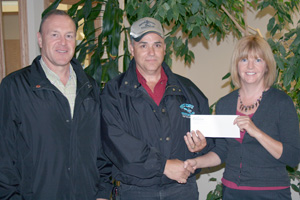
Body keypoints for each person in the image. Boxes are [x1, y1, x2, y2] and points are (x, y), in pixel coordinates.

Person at [0, 10, 112, 200]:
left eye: (69, 36)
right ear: (40, 39)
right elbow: (4, 155)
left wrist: (102, 193)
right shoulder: (15, 86)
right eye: (54, 35)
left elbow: (101, 148)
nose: (63, 42)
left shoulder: (90, 86)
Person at [100, 17, 214, 200]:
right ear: (131, 49)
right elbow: (116, 143)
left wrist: (202, 145)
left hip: (183, 190)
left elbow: (209, 136)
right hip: (136, 192)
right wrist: (162, 165)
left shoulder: (189, 90)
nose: (151, 52)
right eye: (143, 45)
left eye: (157, 45)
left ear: (165, 48)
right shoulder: (114, 92)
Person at [184, 35, 300, 200]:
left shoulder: (281, 102)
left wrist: (256, 132)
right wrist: (197, 163)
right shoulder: (225, 104)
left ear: (267, 66)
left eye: (258, 60)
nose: (250, 66)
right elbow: (222, 151)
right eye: (244, 60)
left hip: (271, 192)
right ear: (236, 65)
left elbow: (293, 157)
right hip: (232, 192)